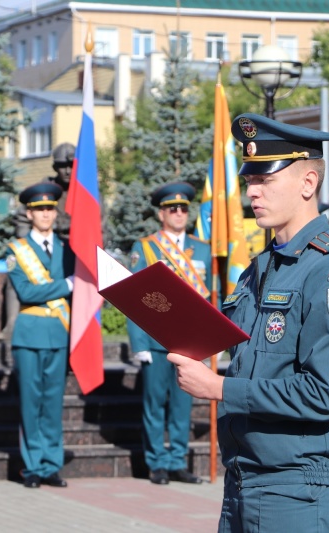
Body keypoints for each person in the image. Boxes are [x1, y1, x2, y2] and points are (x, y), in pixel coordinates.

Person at [166, 114, 329, 532]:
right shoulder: (261, 268)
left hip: (299, 488)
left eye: (266, 180)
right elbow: (232, 340)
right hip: (247, 479)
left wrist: (219, 388)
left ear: (307, 183)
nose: (253, 192)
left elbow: (322, 395)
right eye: (249, 181)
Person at [127, 181, 210, 486]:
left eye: (183, 208)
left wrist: (210, 340)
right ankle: (156, 463)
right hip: (155, 339)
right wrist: (139, 343)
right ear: (161, 214)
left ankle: (177, 461)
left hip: (189, 342)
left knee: (182, 404)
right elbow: (133, 298)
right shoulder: (146, 248)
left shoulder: (202, 249)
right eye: (172, 209)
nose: (178, 213)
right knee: (154, 404)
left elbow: (209, 299)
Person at [5, 182, 74, 489]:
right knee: (31, 403)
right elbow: (26, 291)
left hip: (59, 334)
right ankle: (32, 465)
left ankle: (50, 464)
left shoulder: (69, 250)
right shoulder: (15, 251)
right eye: (39, 209)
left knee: (53, 403)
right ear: (29, 214)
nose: (46, 214)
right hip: (29, 334)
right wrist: (67, 286)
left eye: (50, 208)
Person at [0, 143, 76, 341]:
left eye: (71, 166)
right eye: (61, 166)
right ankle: (13, 322)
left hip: (73, 252)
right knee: (17, 275)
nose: (67, 171)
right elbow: (23, 220)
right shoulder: (44, 188)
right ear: (54, 168)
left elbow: (100, 229)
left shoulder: (87, 193)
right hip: (40, 248)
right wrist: (40, 239)